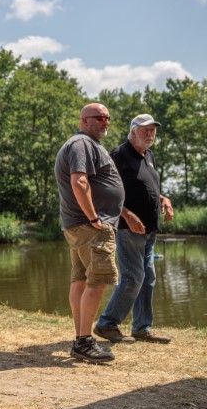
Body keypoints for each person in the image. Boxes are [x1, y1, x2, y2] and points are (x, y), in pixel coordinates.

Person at [54, 103, 125, 363]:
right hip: (90, 226)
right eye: (99, 117)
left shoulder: (86, 144)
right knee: (98, 280)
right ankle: (84, 341)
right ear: (84, 120)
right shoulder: (81, 143)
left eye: (107, 117)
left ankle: (80, 338)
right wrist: (94, 217)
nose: (105, 121)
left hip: (82, 226)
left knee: (81, 280)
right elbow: (79, 181)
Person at [94, 114, 173, 344]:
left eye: (153, 130)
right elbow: (105, 192)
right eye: (146, 130)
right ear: (133, 132)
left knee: (148, 277)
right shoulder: (119, 155)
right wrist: (127, 215)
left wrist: (163, 199)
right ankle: (107, 324)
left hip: (149, 229)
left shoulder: (149, 155)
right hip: (128, 228)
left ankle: (142, 328)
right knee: (133, 277)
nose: (151, 134)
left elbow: (146, 187)